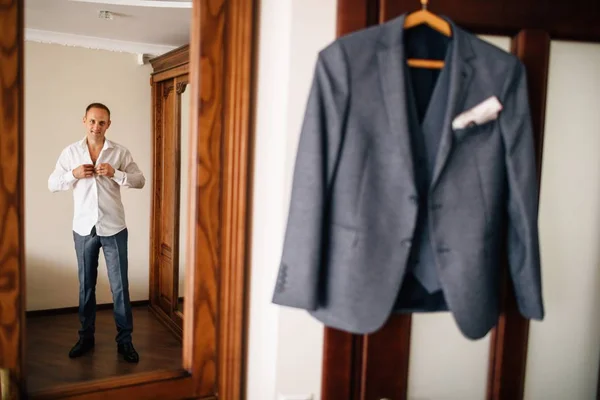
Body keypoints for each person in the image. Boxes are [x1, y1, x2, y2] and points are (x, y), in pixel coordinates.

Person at [48, 103, 145, 363]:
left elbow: (140, 180)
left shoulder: (119, 152)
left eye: (101, 122)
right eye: (92, 121)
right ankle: (85, 338)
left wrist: (118, 174)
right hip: (83, 229)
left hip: (114, 228)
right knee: (86, 287)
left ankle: (125, 342)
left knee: (120, 288)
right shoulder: (70, 153)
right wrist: (73, 174)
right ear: (84, 121)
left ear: (108, 125)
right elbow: (52, 183)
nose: (96, 127)